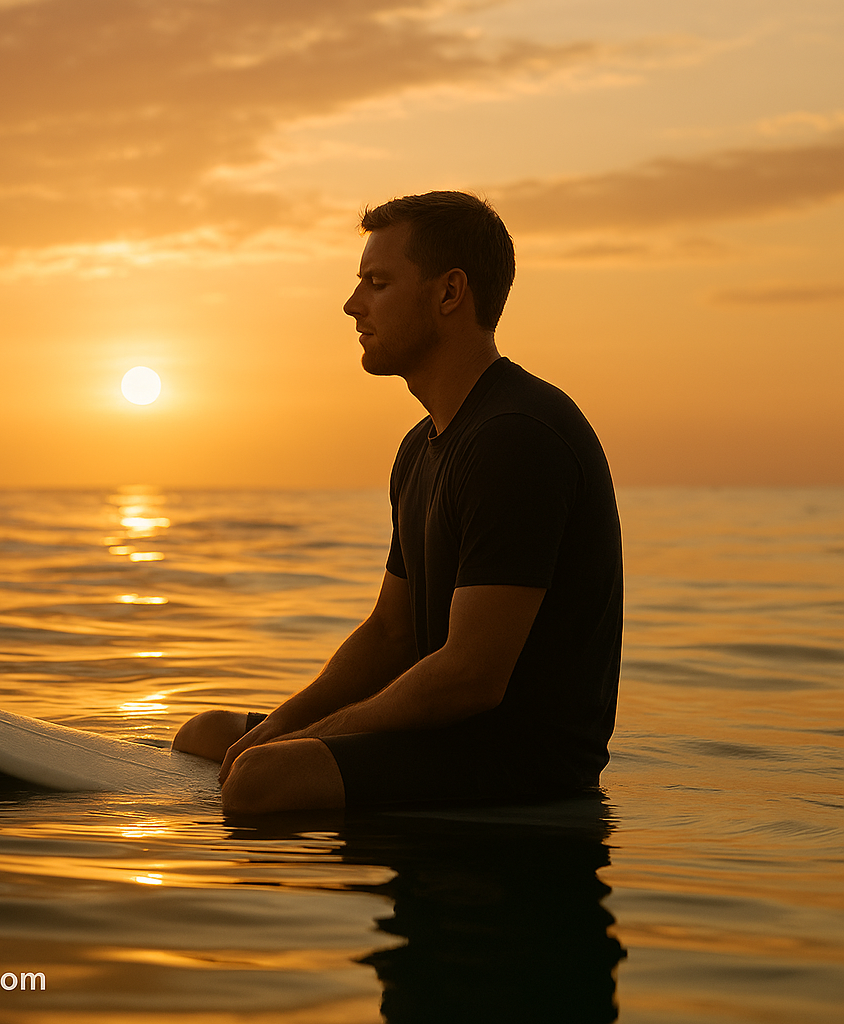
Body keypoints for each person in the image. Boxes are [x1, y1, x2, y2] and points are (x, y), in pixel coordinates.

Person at [174, 191, 622, 814]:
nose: (353, 305)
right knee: (207, 735)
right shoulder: (422, 447)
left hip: (518, 761)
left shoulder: (517, 437)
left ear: (448, 293)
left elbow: (473, 674)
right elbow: (392, 632)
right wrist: (276, 728)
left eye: (376, 283)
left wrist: (299, 746)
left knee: (261, 782)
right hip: (446, 731)